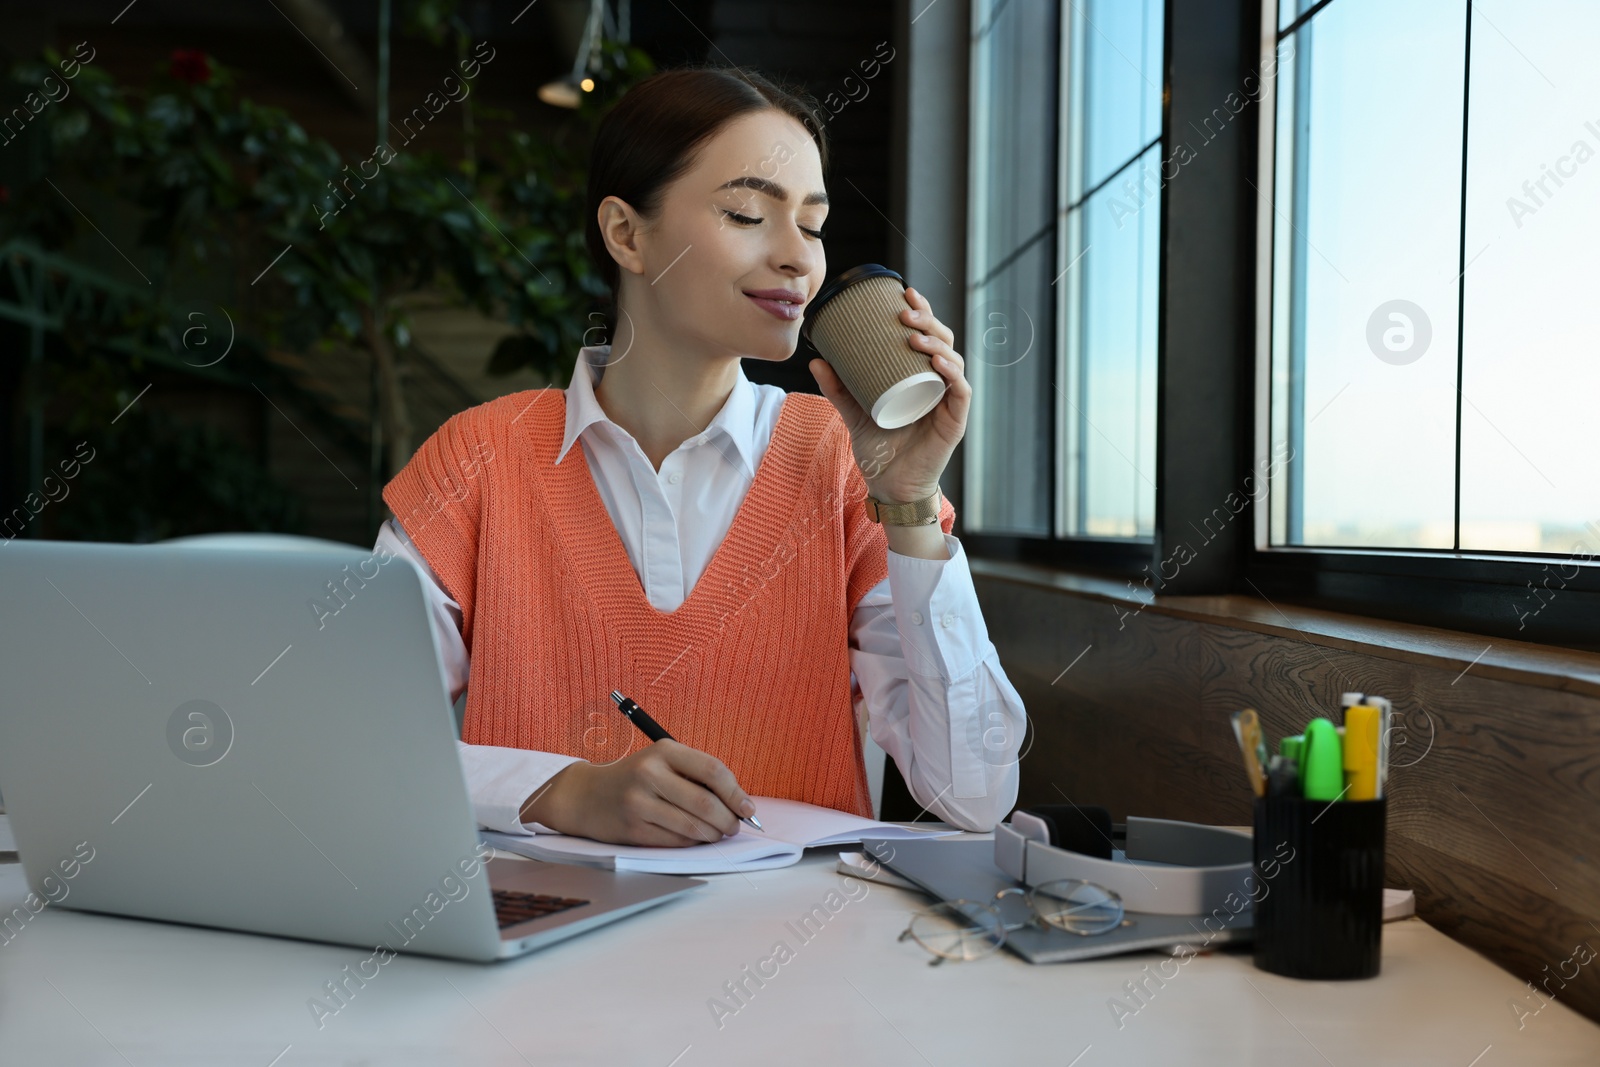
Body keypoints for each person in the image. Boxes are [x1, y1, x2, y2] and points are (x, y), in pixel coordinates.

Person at [375, 64, 1026, 848]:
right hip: (543, 954)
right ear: (627, 235)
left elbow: (976, 793)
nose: (799, 259)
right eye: (748, 213)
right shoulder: (480, 457)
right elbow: (349, 740)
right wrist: (560, 790)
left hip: (801, 951)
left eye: (814, 226)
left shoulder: (844, 467)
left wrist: (913, 499)